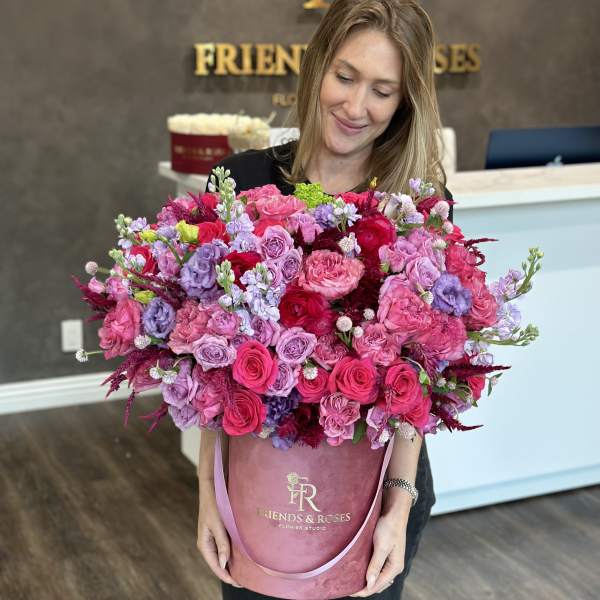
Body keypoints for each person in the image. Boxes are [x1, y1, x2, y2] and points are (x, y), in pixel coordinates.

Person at [196, 1, 454, 598]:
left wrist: (399, 504)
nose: (356, 107)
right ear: (316, 66)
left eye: (382, 91)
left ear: (405, 102)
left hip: (375, 494)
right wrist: (208, 492)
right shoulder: (241, 183)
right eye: (345, 76)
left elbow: (421, 372)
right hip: (255, 492)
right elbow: (211, 365)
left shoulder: (415, 203)